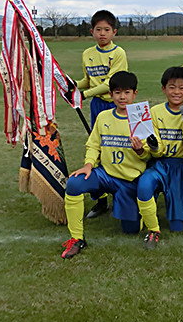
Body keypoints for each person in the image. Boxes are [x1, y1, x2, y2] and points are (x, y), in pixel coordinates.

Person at [60, 71, 148, 259]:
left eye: (126, 92)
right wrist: (88, 164)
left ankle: (137, 211)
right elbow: (94, 144)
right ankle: (76, 238)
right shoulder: (103, 117)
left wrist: (141, 150)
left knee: (131, 230)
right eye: (117, 92)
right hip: (105, 174)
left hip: (129, 180)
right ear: (110, 94)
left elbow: (151, 154)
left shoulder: (141, 118)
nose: (122, 97)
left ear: (135, 94)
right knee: (74, 183)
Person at [72, 9, 128, 219]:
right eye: (98, 29)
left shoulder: (118, 53)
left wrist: (83, 94)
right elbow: (88, 80)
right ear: (91, 31)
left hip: (116, 106)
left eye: (106, 30)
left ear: (114, 32)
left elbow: (110, 84)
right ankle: (101, 200)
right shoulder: (88, 53)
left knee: (117, 149)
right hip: (96, 106)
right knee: (97, 150)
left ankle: (123, 194)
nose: (102, 33)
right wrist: (73, 87)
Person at [136, 67, 183, 249]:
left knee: (178, 226)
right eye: (172, 87)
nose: (177, 92)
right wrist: (154, 147)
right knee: (145, 184)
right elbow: (154, 150)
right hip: (160, 163)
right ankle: (153, 229)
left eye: (181, 88)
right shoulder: (154, 112)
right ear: (163, 89)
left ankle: (182, 209)